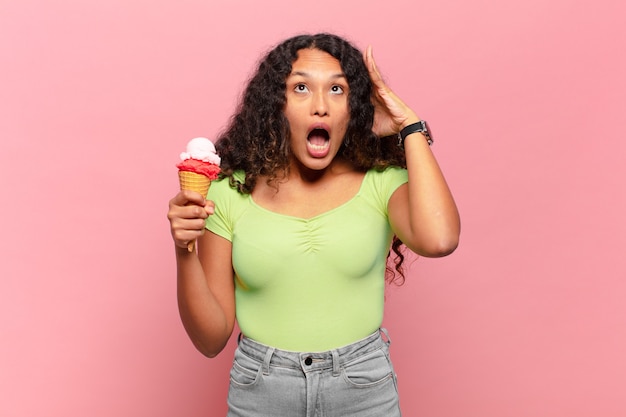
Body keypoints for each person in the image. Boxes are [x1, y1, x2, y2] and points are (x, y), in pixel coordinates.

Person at [167, 33, 460, 416]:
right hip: (261, 389)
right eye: (301, 87)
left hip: (362, 387)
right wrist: (183, 248)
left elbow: (440, 239)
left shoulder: (381, 182)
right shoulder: (227, 191)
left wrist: (409, 127)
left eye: (337, 89)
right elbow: (210, 339)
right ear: (276, 105)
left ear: (353, 107)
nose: (320, 106)